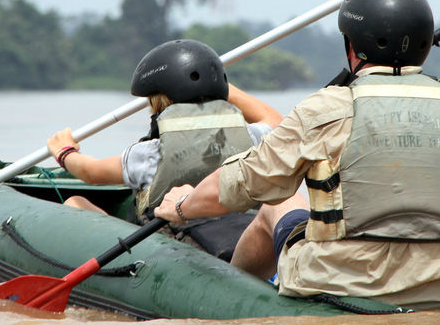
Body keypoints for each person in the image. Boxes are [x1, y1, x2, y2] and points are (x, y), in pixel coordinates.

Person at [155, 0, 440, 308]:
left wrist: (182, 206)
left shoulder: (325, 107)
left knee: (276, 206)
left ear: (351, 46)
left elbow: (237, 186)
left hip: (343, 281)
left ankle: (228, 302)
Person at [47, 40, 282, 252]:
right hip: (239, 238)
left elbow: (91, 172)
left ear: (158, 102)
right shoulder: (251, 137)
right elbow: (275, 121)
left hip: (173, 247)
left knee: (74, 202)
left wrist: (65, 151)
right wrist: (214, 81)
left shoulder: (150, 153)